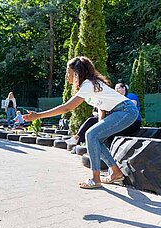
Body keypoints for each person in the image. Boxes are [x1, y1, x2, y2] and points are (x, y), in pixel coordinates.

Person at [23, 56, 139, 189]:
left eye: (68, 72)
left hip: (126, 110)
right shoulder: (92, 84)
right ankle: (116, 173)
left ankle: (96, 179)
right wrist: (99, 126)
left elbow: (67, 107)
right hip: (122, 111)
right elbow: (101, 106)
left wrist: (38, 116)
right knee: (95, 138)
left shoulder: (88, 84)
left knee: (90, 135)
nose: (67, 75)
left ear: (77, 73)